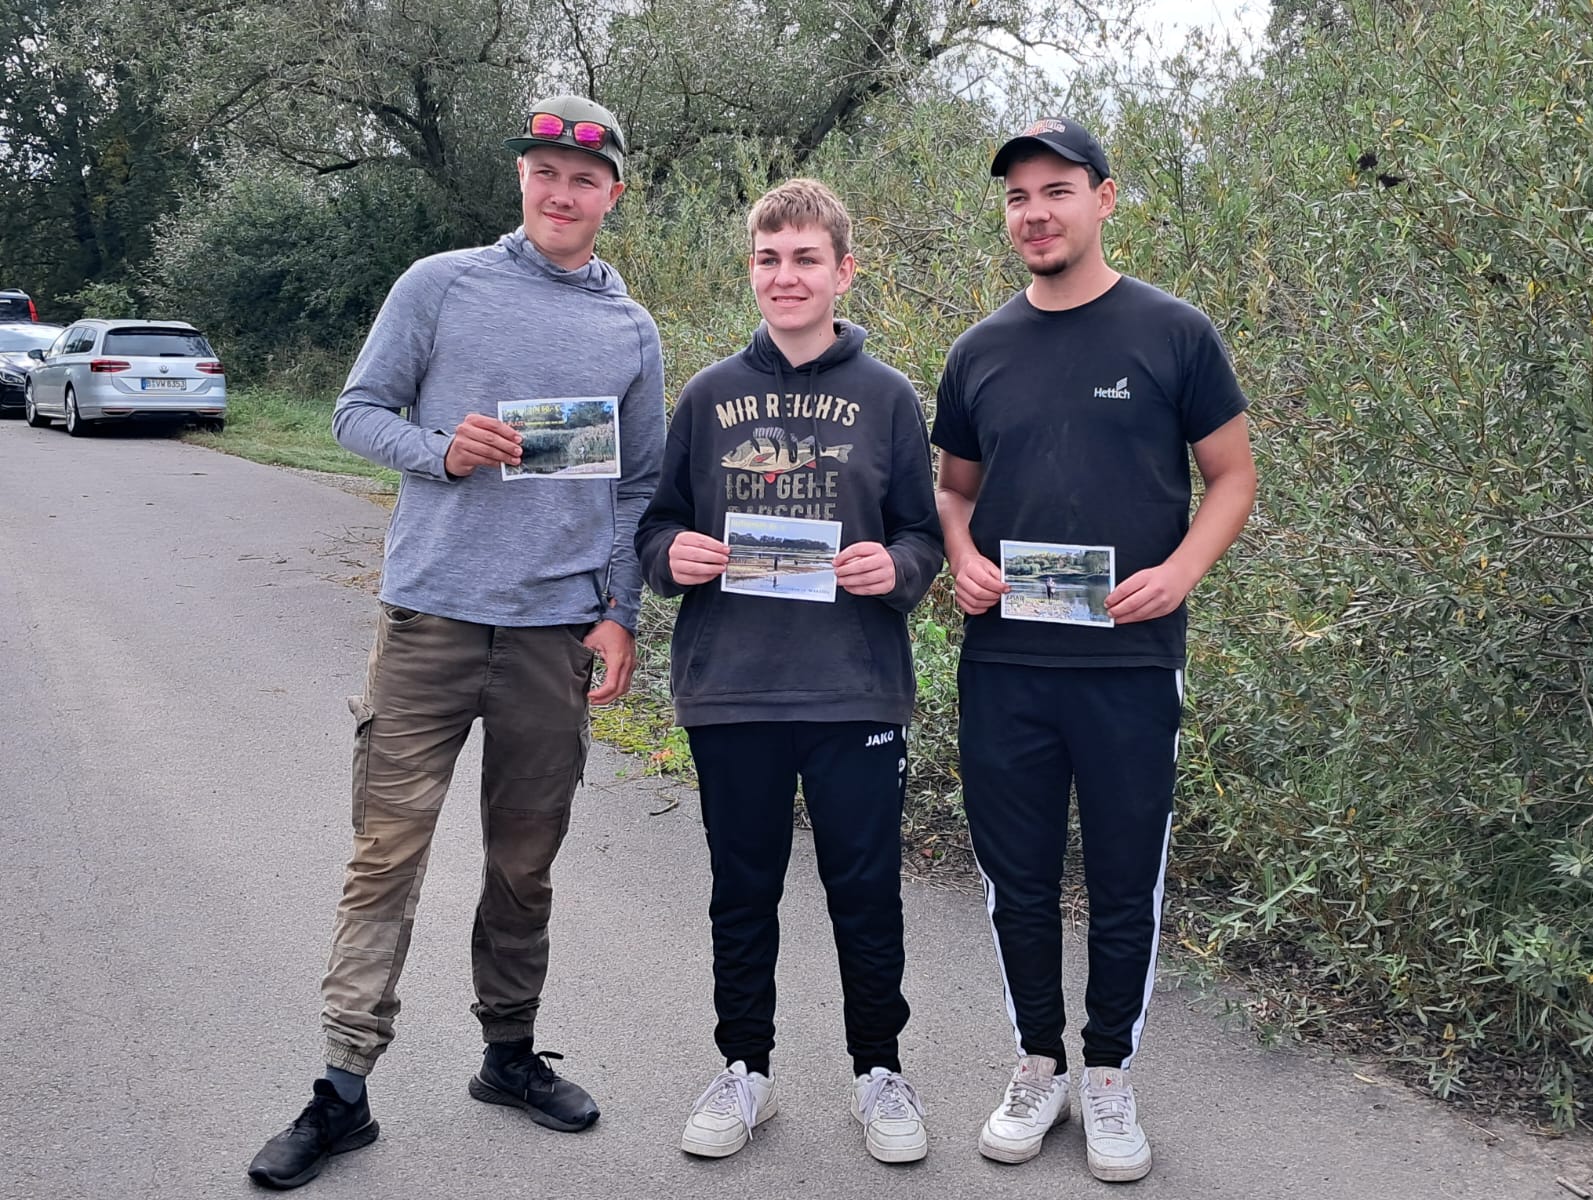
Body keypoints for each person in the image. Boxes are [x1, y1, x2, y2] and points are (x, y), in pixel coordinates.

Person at [247, 94, 666, 1191]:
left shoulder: (631, 331)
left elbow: (637, 489)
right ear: (521, 179)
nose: (561, 192)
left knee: (524, 864)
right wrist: (440, 451)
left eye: (583, 179)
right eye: (544, 172)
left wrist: (618, 612)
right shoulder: (439, 284)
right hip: (428, 621)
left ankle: (509, 1056)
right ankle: (341, 1090)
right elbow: (356, 412)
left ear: (613, 195)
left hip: (550, 638)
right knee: (384, 857)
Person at [932, 118, 1256, 1181]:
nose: (1035, 213)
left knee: (1124, 881)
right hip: (1005, 665)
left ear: (1104, 199)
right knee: (1016, 881)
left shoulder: (1174, 333)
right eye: (1018, 196)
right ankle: (1040, 1063)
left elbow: (1233, 478)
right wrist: (961, 556)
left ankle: (1109, 1072)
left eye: (1056, 191)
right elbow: (953, 491)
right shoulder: (979, 350)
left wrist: (1182, 572)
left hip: (1131, 662)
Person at [635, 178, 944, 1164]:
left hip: (855, 685)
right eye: (769, 259)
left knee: (866, 892)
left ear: (843, 271)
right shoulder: (707, 395)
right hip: (732, 687)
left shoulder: (888, 397)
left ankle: (879, 1073)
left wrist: (894, 568)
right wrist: (671, 556)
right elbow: (655, 526)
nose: (786, 275)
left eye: (806, 258)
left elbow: (923, 536)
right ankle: (745, 1072)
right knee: (742, 892)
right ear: (752, 271)